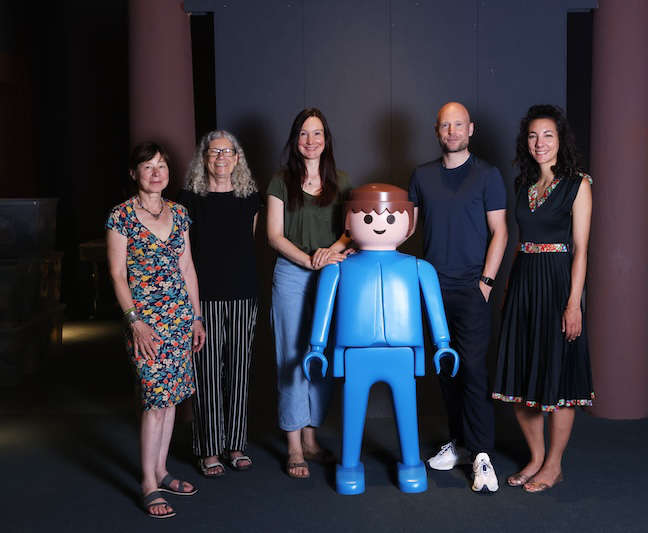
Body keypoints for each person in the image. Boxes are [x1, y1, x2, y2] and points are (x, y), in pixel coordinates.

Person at [302, 183, 459, 495]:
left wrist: (444, 343)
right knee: (353, 409)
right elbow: (324, 311)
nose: (379, 224)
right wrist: (316, 347)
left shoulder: (419, 268)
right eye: (368, 218)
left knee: (406, 410)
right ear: (349, 221)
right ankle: (349, 465)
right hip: (355, 353)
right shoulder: (336, 269)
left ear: (408, 223)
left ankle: (411, 463)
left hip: (402, 352)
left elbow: (434, 309)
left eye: (389, 219)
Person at [492, 104, 594, 493]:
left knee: (560, 376)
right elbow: (521, 243)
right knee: (522, 375)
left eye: (547, 135)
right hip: (523, 285)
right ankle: (535, 457)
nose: (540, 143)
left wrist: (574, 303)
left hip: (557, 286)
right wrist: (507, 290)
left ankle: (554, 464)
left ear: (560, 140)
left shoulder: (578, 184)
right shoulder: (523, 185)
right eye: (533, 136)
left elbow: (581, 250)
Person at [408, 101, 508, 493]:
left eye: (458, 125)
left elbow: (500, 231)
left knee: (474, 370)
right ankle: (456, 444)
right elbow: (401, 228)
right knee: (445, 369)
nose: (452, 131)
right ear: (437, 131)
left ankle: (481, 454)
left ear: (471, 129)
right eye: (445, 125)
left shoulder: (488, 175)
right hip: (431, 289)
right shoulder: (421, 176)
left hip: (471, 287)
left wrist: (485, 282)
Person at [106, 142, 206, 518]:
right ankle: (148, 482)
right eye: (147, 166)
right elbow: (117, 274)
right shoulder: (121, 217)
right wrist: (135, 322)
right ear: (134, 174)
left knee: (171, 401)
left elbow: (188, 269)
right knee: (154, 401)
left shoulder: (179, 214)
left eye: (161, 165)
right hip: (145, 323)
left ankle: (162, 471)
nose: (156, 172)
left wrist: (196, 317)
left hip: (180, 319)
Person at [266, 108, 351, 479]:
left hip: (330, 275)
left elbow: (352, 231)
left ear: (326, 139)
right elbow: (273, 235)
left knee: (324, 356)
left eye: (317, 134)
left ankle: (313, 439)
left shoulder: (343, 182)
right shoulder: (280, 182)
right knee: (291, 354)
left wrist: (329, 254)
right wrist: (308, 260)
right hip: (291, 274)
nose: (311, 141)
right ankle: (294, 447)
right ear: (295, 140)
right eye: (303, 134)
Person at [179, 130, 261, 477]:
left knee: (239, 372)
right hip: (206, 297)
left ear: (237, 158)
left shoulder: (250, 198)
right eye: (214, 152)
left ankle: (236, 445)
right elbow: (184, 256)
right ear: (204, 159)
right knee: (208, 374)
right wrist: (194, 308)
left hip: (244, 293)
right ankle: (209, 448)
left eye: (228, 151)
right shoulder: (189, 200)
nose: (221, 157)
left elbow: (251, 243)